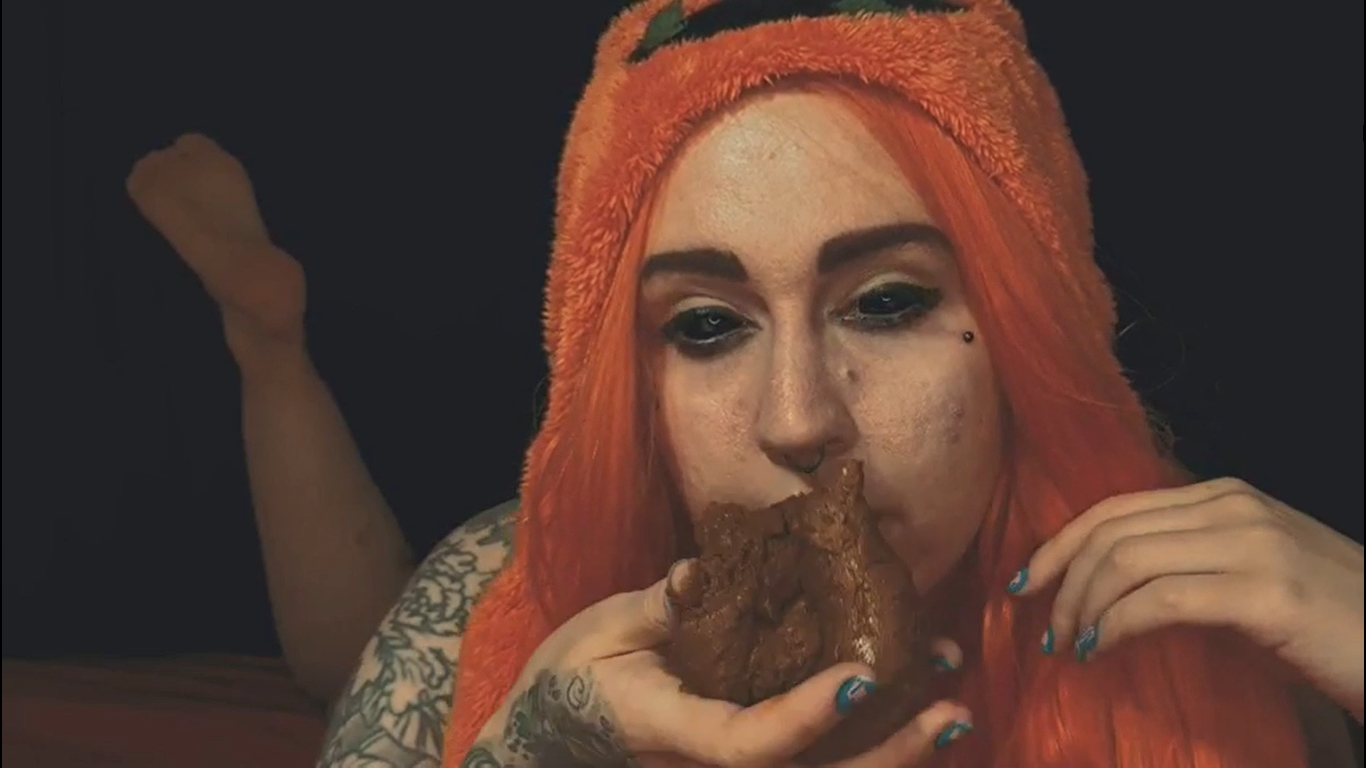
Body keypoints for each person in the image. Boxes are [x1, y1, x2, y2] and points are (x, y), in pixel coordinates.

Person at [129, 1, 1364, 767]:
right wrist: (528, 753)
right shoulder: (527, 598)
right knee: (355, 655)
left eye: (888, 302)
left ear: (1025, 327)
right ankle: (269, 350)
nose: (797, 422)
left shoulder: (1196, 623)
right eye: (708, 325)